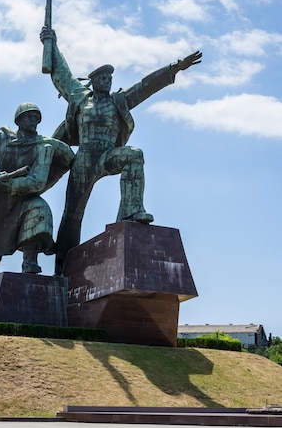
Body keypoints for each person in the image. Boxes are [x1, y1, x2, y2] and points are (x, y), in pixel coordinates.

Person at [40, 27, 202, 274]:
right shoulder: (80, 98)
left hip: (107, 155)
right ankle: (62, 266)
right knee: (72, 215)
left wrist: (174, 68)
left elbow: (145, 86)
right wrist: (51, 42)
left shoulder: (119, 100)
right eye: (102, 78)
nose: (107, 81)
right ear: (93, 81)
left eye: (109, 78)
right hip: (84, 158)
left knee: (134, 155)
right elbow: (62, 73)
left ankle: (130, 211)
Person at [0, 102, 74, 284]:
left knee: (40, 212)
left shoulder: (44, 147)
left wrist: (7, 184)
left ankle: (30, 268)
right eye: (29, 116)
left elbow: (37, 181)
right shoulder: (1, 138)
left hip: (25, 197)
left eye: (36, 118)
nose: (33, 120)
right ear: (18, 119)